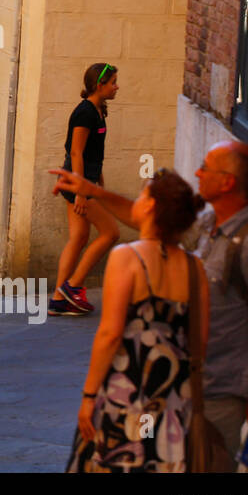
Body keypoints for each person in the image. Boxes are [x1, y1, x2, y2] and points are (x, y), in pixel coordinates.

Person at [52, 140, 248, 471]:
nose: (197, 172)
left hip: (219, 392)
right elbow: (154, 223)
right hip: (183, 390)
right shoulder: (207, 225)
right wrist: (95, 192)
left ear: (227, 182)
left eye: (206, 167)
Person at [66, 169, 208, 471]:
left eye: (143, 194)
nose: (137, 199)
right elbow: (201, 342)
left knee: (118, 461)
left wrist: (89, 396)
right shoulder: (196, 268)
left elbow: (109, 334)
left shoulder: (126, 257)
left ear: (151, 207)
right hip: (174, 397)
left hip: (126, 390)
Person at [50, 62, 121, 317]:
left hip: (85, 180)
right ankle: (74, 286)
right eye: (113, 82)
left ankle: (59, 299)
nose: (117, 86)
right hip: (78, 182)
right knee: (110, 233)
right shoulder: (84, 113)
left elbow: (92, 150)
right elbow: (76, 152)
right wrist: (81, 191)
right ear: (99, 85)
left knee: (79, 237)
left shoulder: (99, 110)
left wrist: (98, 174)